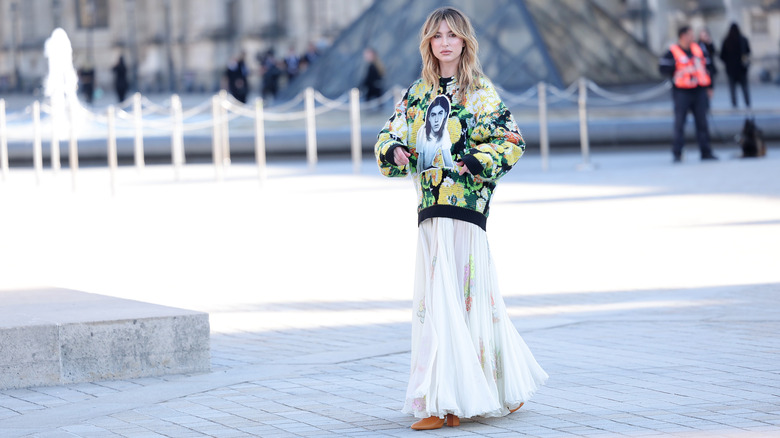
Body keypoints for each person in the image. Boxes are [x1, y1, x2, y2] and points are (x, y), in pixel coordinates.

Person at [374, 7, 548, 431]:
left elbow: (512, 140)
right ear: (428, 44)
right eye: (437, 36)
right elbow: (389, 135)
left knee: (462, 301)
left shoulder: (479, 91)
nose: (445, 42)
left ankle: (446, 402)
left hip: (466, 212)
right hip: (430, 212)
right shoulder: (417, 94)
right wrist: (394, 150)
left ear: (465, 41)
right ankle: (465, 393)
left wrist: (476, 159)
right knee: (438, 304)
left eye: (452, 34)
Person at [658, 25, 718, 162]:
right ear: (682, 36)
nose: (692, 37)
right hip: (682, 92)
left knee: (702, 122)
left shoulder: (699, 49)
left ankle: (706, 151)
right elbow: (662, 67)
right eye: (690, 34)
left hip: (699, 90)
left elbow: (709, 67)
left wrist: (710, 87)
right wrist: (675, 69)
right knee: (679, 123)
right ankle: (677, 152)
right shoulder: (673, 51)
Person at [416, 94, 453, 170]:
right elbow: (420, 164)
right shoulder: (422, 131)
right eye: (433, 115)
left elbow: (449, 163)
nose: (436, 120)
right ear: (429, 117)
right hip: (423, 174)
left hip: (433, 170)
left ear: (445, 114)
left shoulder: (444, 133)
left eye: (440, 113)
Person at [720, 22, 751, 108]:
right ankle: (747, 103)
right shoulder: (743, 39)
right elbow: (748, 52)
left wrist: (728, 62)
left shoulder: (726, 41)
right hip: (742, 68)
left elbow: (722, 56)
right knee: (744, 87)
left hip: (731, 69)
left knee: (732, 88)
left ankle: (734, 104)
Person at [697, 28, 717, 110]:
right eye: (703, 35)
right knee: (703, 88)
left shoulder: (709, 45)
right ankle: (703, 104)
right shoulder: (698, 45)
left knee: (710, 88)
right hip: (702, 70)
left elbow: (714, 52)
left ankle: (707, 104)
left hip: (710, 68)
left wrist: (710, 43)